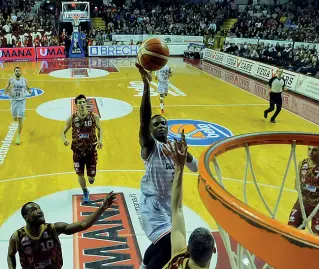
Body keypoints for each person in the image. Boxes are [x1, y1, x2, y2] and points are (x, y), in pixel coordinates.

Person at [136, 63, 199, 269]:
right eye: (156, 124)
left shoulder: (175, 146)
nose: (160, 125)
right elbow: (144, 120)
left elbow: (195, 168)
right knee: (172, 249)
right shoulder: (150, 147)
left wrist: (185, 154)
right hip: (152, 205)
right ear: (151, 131)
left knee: (162, 246)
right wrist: (146, 86)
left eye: (163, 123)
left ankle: (145, 265)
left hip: (168, 206)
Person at [7, 192, 116, 269]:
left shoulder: (53, 229)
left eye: (39, 208)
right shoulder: (17, 237)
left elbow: (83, 224)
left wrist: (103, 207)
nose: (39, 211)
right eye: (34, 210)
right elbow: (10, 255)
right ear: (26, 217)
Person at [162, 140, 216, 269]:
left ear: (187, 249)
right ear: (213, 250)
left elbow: (177, 209)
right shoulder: (179, 254)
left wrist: (179, 166)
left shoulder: (177, 258)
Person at [61, 94, 103, 203]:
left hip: (91, 151)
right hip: (77, 151)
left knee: (91, 178)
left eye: (84, 102)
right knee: (79, 173)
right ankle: (85, 191)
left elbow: (100, 129)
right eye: (80, 103)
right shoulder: (72, 118)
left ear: (86, 104)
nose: (82, 104)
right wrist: (64, 139)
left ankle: (91, 177)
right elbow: (62, 132)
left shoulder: (94, 117)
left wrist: (100, 140)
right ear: (76, 105)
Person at [288, 146, 319, 234]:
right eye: (309, 149)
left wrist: (310, 187)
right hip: (302, 203)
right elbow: (296, 185)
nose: (310, 152)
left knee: (316, 237)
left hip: (317, 207)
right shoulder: (302, 163)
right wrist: (307, 187)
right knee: (291, 231)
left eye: (315, 150)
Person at [4, 67, 32, 145]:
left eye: (19, 71)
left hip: (22, 100)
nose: (18, 72)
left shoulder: (24, 80)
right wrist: (9, 87)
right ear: (14, 72)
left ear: (21, 72)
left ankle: (18, 136)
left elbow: (29, 89)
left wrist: (29, 91)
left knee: (20, 118)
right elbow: (5, 92)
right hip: (13, 101)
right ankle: (19, 117)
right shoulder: (10, 80)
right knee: (15, 118)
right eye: (16, 71)